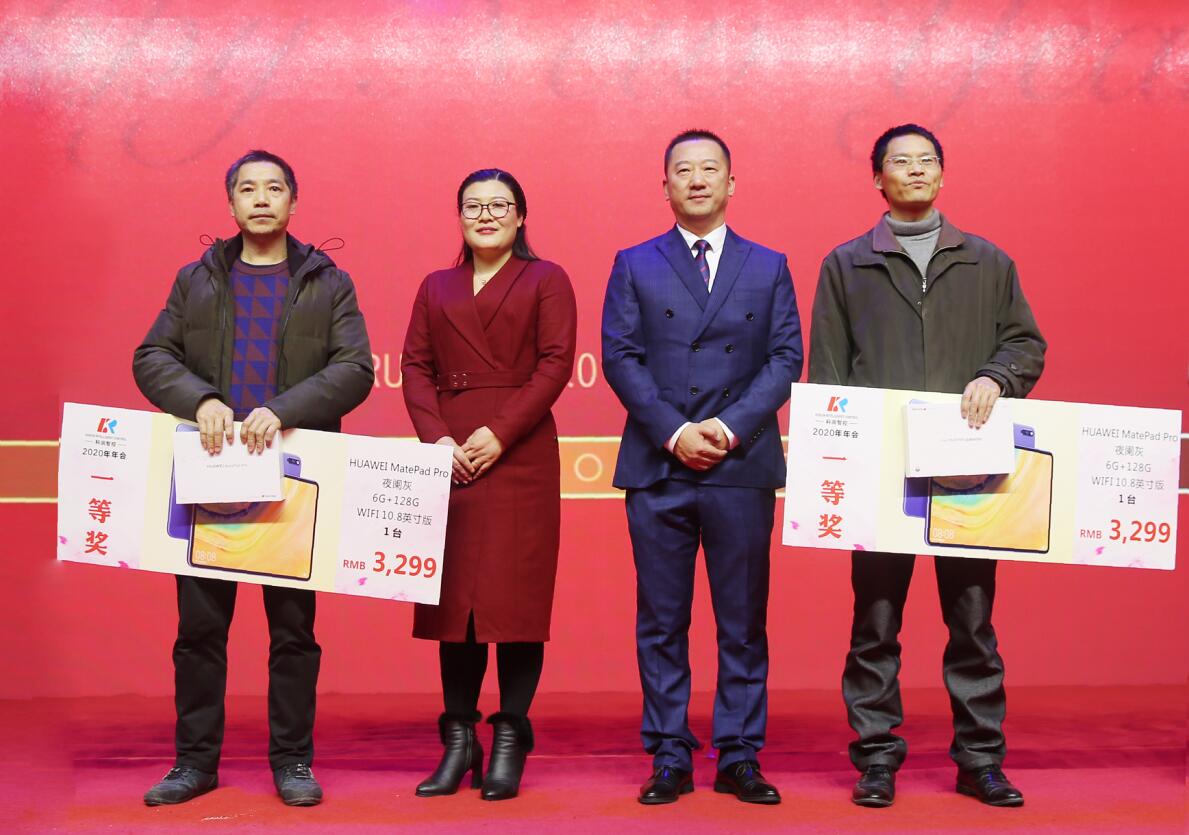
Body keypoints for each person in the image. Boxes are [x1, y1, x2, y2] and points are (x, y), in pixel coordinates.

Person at [809, 124, 1046, 808]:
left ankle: (980, 759)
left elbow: (1024, 343)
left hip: (970, 473)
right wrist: (840, 460)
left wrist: (996, 376)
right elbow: (827, 375)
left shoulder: (986, 261)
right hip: (882, 472)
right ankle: (876, 757)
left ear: (941, 175)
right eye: (899, 161)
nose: (914, 170)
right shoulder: (846, 265)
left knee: (972, 623)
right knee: (875, 623)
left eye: (926, 160)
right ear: (877, 179)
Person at [133, 149, 374, 807]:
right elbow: (152, 355)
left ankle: (293, 761)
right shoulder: (197, 279)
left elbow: (355, 368)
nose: (261, 198)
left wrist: (283, 409)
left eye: (274, 188)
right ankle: (194, 763)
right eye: (247, 188)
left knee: (293, 633)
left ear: (294, 201)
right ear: (231, 203)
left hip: (294, 479)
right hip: (210, 473)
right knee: (199, 631)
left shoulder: (328, 282)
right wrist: (201, 400)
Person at [601, 130, 803, 805]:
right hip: (659, 466)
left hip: (739, 463)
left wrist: (729, 425)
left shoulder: (768, 265)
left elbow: (785, 357)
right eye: (682, 170)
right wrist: (675, 431)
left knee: (742, 620)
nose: (696, 179)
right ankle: (669, 752)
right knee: (661, 620)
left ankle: (740, 753)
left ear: (730, 184)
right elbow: (620, 356)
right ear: (664, 187)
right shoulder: (635, 263)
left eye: (709, 169)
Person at [401, 168, 577, 801]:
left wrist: (499, 434)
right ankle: (458, 740)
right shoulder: (436, 285)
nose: (486, 215)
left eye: (499, 205)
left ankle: (509, 738)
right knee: (456, 607)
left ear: (521, 216)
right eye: (473, 206)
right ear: (459, 217)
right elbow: (414, 367)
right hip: (450, 455)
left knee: (516, 603)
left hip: (520, 453)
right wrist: (436, 440)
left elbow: (555, 365)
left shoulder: (546, 278)